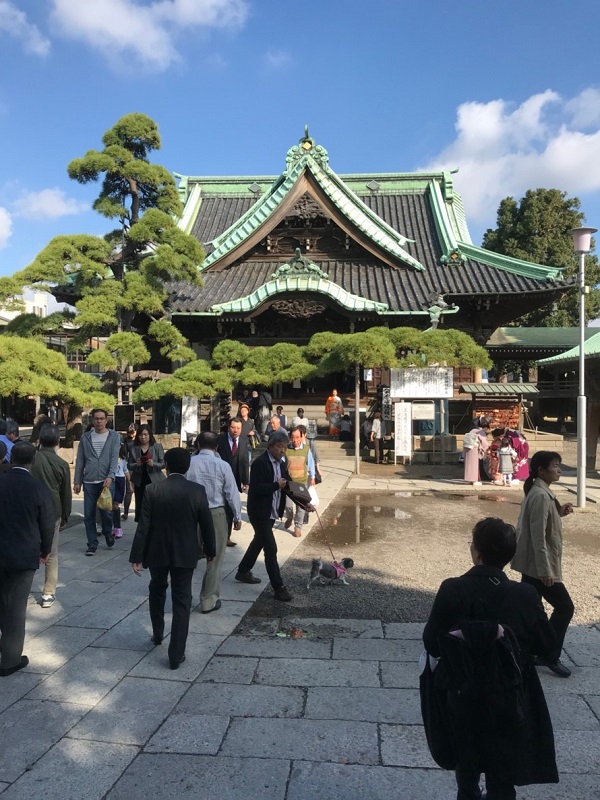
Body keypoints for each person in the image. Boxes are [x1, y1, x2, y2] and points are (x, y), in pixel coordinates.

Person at [423, 517, 558, 800]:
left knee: (466, 765)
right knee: (502, 771)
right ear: (509, 556)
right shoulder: (525, 594)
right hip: (508, 696)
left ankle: (468, 791)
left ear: (476, 551)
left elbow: (432, 643)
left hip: (461, 695)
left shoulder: (452, 588)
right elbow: (548, 645)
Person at [129, 447, 216, 670]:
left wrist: (136, 555)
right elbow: (206, 523)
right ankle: (176, 654)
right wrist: (211, 551)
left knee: (157, 589)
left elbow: (143, 526)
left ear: (166, 465)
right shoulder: (197, 491)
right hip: (185, 552)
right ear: (187, 467)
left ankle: (158, 633)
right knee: (181, 599)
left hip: (157, 551)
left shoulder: (152, 489)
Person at [511, 451, 574, 678]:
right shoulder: (539, 495)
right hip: (538, 566)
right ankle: (549, 654)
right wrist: (546, 571)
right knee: (565, 607)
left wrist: (558, 512)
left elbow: (541, 523)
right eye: (555, 466)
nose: (559, 469)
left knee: (533, 610)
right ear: (541, 470)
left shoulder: (541, 492)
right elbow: (538, 537)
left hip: (532, 565)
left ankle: (531, 651)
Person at [235, 430, 312, 602]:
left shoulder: (282, 463)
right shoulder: (260, 463)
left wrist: (304, 503)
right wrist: (275, 485)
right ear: (270, 446)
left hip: (272, 511)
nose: (282, 450)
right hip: (259, 512)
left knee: (259, 541)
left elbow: (289, 486)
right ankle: (279, 588)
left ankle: (242, 571)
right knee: (271, 548)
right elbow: (256, 489)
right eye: (279, 447)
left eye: (284, 447)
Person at [0, 443, 55, 675]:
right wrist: (44, 550)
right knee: (15, 608)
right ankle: (10, 660)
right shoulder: (38, 488)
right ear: (32, 460)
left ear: (11, 458)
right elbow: (47, 523)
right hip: (23, 555)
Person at [186, 431, 242, 613]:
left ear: (198, 445)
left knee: (187, 558)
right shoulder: (223, 465)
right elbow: (232, 493)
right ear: (217, 447)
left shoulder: (189, 463)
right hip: (216, 513)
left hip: (191, 513)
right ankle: (208, 600)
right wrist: (237, 516)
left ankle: (184, 597)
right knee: (214, 558)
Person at [30, 424, 72, 608]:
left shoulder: (31, 459)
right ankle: (48, 593)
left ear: (40, 440)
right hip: (53, 509)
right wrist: (64, 515)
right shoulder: (61, 464)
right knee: (52, 553)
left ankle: (22, 588)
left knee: (29, 549)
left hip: (30, 510)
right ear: (57, 441)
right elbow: (66, 494)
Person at [74, 408, 121, 556]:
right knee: (88, 514)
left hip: (106, 481)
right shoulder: (86, 437)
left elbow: (114, 458)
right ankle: (92, 543)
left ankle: (108, 532)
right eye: (96, 418)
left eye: (102, 418)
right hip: (89, 481)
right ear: (92, 420)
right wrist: (77, 481)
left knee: (106, 511)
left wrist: (111, 476)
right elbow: (80, 459)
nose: (99, 421)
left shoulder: (114, 436)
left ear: (106, 420)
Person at [217, 417, 249, 548]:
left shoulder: (243, 441)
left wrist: (246, 481)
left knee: (231, 509)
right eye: (233, 427)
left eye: (238, 428)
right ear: (228, 427)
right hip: (219, 480)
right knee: (219, 508)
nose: (235, 430)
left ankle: (227, 537)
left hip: (235, 480)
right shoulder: (220, 440)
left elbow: (245, 462)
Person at [127, 424, 166, 523]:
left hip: (154, 480)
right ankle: (141, 527)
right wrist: (137, 464)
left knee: (154, 504)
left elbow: (163, 464)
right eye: (140, 435)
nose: (143, 437)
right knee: (140, 504)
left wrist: (153, 463)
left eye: (145, 434)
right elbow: (129, 465)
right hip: (139, 481)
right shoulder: (133, 448)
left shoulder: (157, 447)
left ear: (150, 435)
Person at [283, 425, 316, 537]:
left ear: (302, 437)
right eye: (293, 437)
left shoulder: (306, 449)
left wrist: (312, 476)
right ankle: (289, 517)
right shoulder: (286, 449)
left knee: (301, 506)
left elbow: (310, 463)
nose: (295, 440)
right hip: (289, 483)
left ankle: (298, 527)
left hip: (301, 482)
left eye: (297, 437)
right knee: (288, 505)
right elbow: (282, 463)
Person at [463, 416, 491, 485]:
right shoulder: (480, 432)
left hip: (468, 448)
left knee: (469, 465)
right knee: (474, 465)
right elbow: (485, 443)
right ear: (485, 427)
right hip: (474, 449)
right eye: (486, 429)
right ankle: (474, 480)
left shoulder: (472, 430)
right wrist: (489, 447)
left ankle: (469, 479)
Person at [112, 443, 132, 539]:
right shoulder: (108, 456)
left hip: (120, 480)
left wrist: (129, 485)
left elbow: (126, 470)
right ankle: (110, 526)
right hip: (111, 479)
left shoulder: (123, 458)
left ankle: (117, 528)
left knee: (115, 505)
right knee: (109, 505)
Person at [121, 423, 138, 520]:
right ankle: (126, 512)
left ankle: (128, 512)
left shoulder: (126, 441)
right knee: (129, 490)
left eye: (133, 432)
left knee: (131, 491)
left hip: (134, 467)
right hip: (131, 468)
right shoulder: (128, 441)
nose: (132, 434)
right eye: (130, 432)